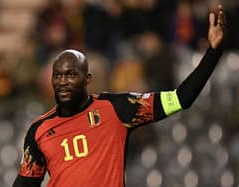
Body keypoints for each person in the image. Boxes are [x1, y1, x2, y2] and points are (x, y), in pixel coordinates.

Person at [13, 4, 226, 187]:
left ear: (88, 78)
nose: (62, 82)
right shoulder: (39, 131)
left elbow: (181, 98)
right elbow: (25, 184)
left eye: (71, 75)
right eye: (57, 76)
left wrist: (213, 53)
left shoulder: (117, 108)